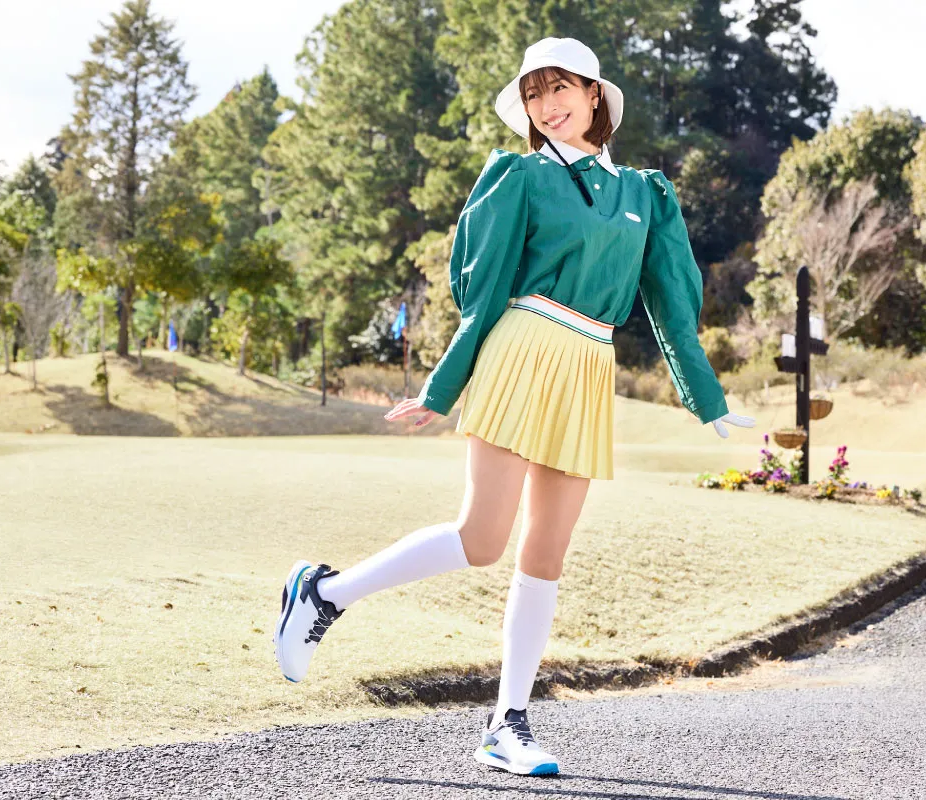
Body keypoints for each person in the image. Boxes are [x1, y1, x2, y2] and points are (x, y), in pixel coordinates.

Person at [272, 36, 755, 777]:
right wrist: (441, 387)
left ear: (596, 94)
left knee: (545, 557)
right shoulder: (518, 176)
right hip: (522, 349)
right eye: (534, 94)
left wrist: (708, 399)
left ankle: (509, 724)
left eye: (560, 87)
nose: (547, 104)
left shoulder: (646, 194)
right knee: (482, 538)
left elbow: (670, 306)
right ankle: (326, 592)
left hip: (590, 364)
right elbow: (484, 290)